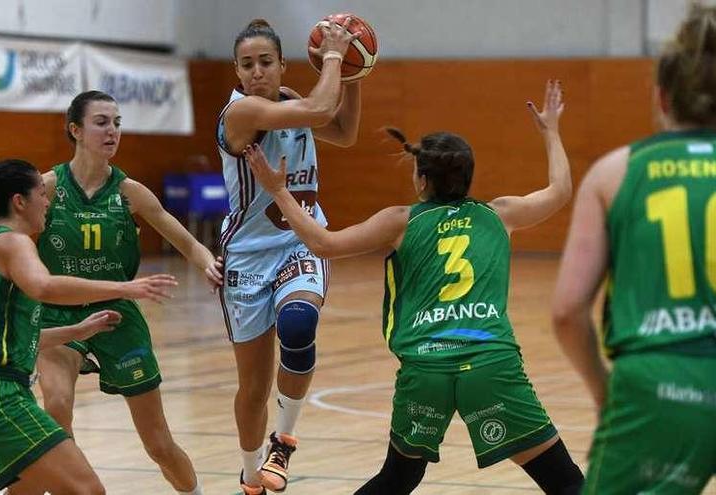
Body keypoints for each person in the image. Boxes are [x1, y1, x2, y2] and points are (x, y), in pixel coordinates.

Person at [246, 80, 584, 494]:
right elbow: (562, 190)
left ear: (421, 179)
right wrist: (550, 132)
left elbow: (323, 244)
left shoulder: (401, 221)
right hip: (491, 366)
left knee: (399, 477)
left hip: (426, 369)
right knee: (565, 482)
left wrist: (279, 191)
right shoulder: (501, 214)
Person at [552, 5, 716, 494]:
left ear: (661, 97)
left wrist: (605, 392)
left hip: (658, 384)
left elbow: (566, 311)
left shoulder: (613, 173)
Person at [0, 158, 178, 493]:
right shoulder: (13, 242)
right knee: (88, 490)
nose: (49, 201)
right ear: (19, 202)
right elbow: (46, 287)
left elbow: (16, 339)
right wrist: (124, 287)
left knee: (28, 490)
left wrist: (78, 332)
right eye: (41, 193)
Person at [34, 90, 222, 495]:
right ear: (76, 130)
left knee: (158, 443)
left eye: (117, 123)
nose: (112, 131)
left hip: (116, 315)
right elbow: (7, 240)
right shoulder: (46, 189)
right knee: (56, 409)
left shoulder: (129, 192)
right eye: (102, 122)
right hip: (58, 313)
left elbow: (188, 242)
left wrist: (208, 262)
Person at [217, 18, 362, 494]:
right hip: (247, 255)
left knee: (299, 322)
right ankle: (250, 468)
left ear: (282, 64)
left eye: (265, 62)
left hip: (301, 240)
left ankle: (285, 441)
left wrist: (355, 76)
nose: (256, 71)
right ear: (237, 73)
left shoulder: (294, 104)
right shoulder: (239, 114)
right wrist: (337, 58)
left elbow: (342, 129)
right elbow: (323, 110)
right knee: (253, 387)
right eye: (247, 64)